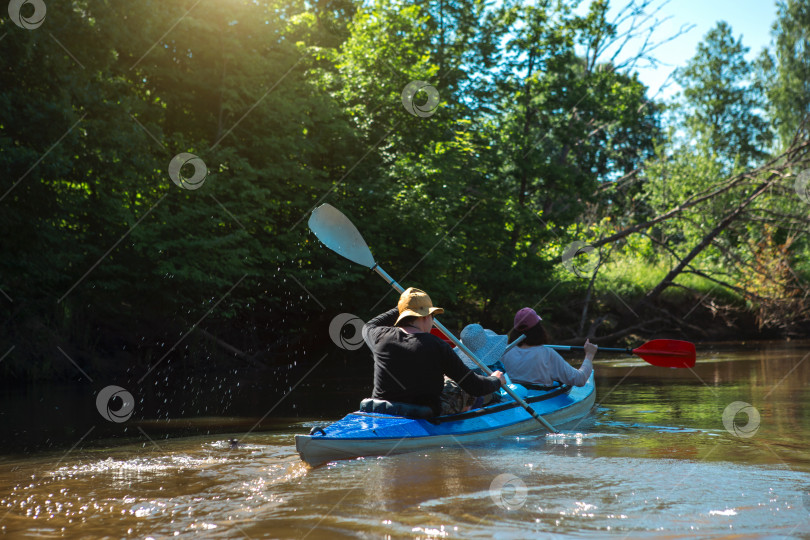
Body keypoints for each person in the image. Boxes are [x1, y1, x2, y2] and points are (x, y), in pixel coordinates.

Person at [362, 287, 505, 416]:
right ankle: (464, 414)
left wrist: (405, 307)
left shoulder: (380, 336)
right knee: (460, 383)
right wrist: (495, 380)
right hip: (424, 413)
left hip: (382, 409)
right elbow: (475, 386)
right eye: (432, 316)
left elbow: (369, 325)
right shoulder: (438, 346)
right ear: (425, 316)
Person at [501, 307, 596, 387]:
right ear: (538, 329)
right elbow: (580, 379)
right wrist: (589, 355)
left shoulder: (504, 351)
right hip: (540, 401)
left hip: (514, 398)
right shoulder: (548, 353)